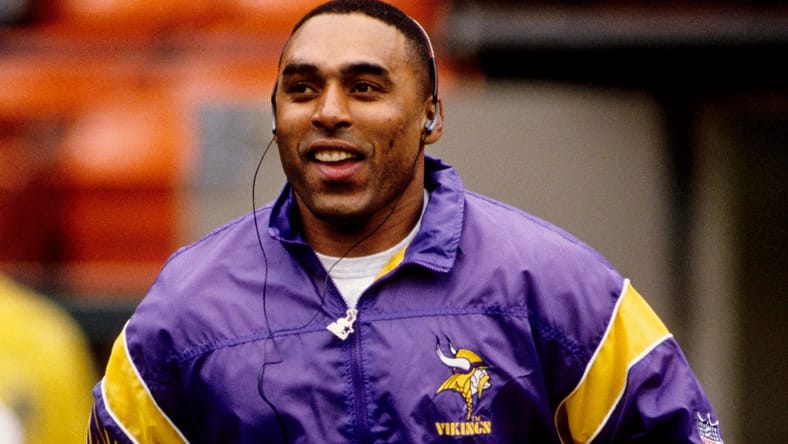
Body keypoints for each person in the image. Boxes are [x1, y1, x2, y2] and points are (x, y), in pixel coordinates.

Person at [88, 1, 725, 443]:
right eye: (302, 88)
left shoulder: (558, 286)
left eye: (365, 88)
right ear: (275, 112)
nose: (328, 112)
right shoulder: (186, 304)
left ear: (431, 116)